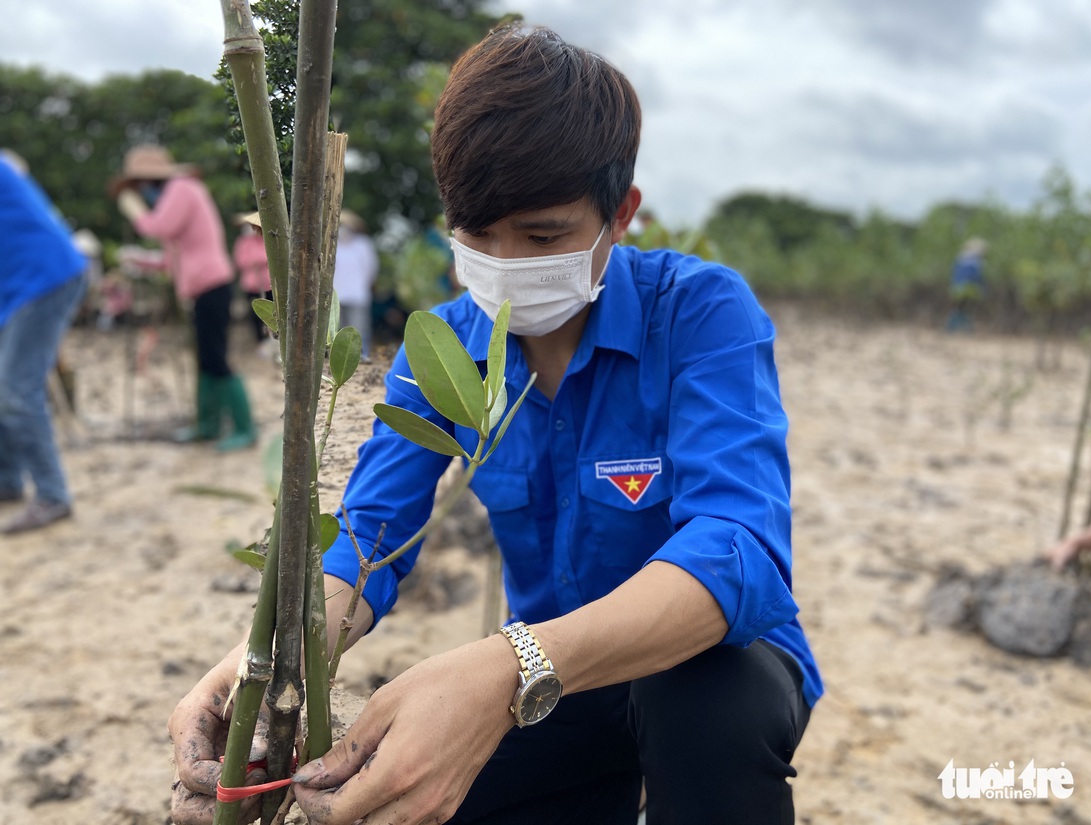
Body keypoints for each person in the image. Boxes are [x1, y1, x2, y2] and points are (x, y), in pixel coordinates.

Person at [168, 24, 822, 825]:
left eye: (543, 236)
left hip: (684, 669)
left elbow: (739, 548)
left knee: (712, 705)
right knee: (402, 786)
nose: (507, 262)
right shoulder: (443, 350)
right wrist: (260, 664)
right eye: (477, 235)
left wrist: (508, 663)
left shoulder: (698, 312)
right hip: (549, 684)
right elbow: (371, 534)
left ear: (620, 214)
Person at [113, 145, 257, 451]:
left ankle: (245, 429)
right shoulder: (174, 196)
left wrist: (135, 212)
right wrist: (138, 259)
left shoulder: (182, 187)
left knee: (216, 357)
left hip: (211, 285)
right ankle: (207, 425)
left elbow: (157, 228)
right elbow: (170, 257)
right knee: (205, 359)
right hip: (199, 289)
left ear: (149, 180)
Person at [0, 150, 88, 534]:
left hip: (45, 279)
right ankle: (7, 481)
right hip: (19, 288)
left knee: (18, 389)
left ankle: (53, 496)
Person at [332, 210, 379, 362]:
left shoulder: (363, 244)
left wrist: (363, 284)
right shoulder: (333, 245)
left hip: (358, 293)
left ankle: (361, 354)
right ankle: (341, 358)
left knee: (359, 327)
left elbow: (370, 268)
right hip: (337, 293)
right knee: (339, 328)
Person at [231, 212, 274, 354]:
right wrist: (256, 261)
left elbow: (270, 256)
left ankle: (274, 340)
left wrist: (260, 260)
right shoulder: (242, 242)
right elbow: (240, 261)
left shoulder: (265, 239)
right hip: (251, 284)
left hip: (269, 283)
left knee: (272, 313)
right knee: (255, 315)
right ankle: (260, 341)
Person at [946, 237, 987, 332]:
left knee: (959, 308)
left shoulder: (960, 259)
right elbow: (976, 277)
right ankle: (963, 328)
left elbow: (954, 275)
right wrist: (983, 288)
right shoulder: (974, 261)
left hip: (956, 287)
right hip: (968, 288)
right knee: (964, 308)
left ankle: (954, 328)